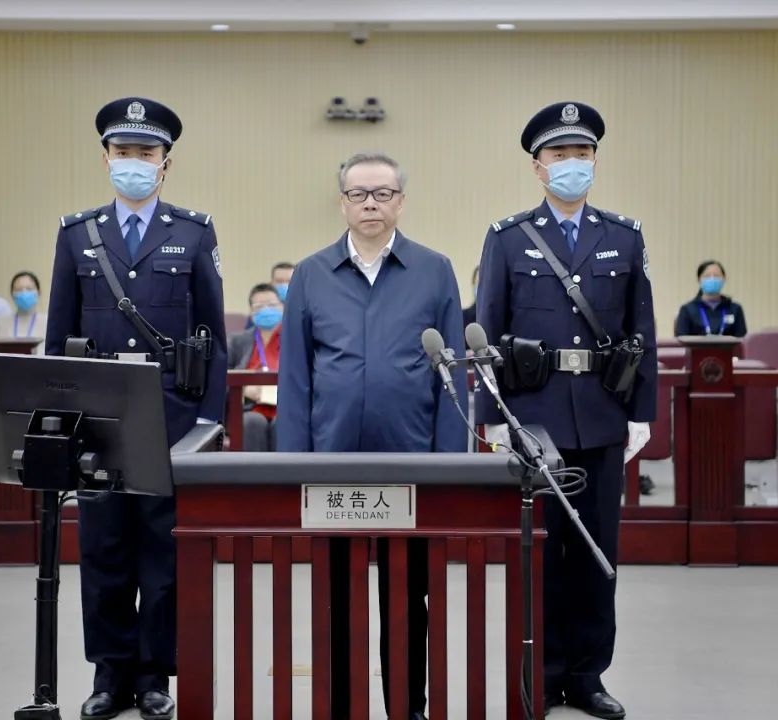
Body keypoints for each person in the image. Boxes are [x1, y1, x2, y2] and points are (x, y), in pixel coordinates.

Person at [46, 96, 226, 720]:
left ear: (165, 162)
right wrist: (59, 420)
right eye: (122, 151)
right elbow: (58, 335)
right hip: (98, 419)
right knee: (103, 550)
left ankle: (154, 674)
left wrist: (208, 423)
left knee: (162, 551)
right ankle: (109, 674)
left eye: (145, 153)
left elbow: (214, 338)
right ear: (105, 158)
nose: (133, 162)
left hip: (170, 417)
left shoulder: (193, 231)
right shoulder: (77, 234)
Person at [476, 101, 656, 719]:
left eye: (582, 153)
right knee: (540, 553)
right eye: (559, 154)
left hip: (603, 413)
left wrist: (641, 412)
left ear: (595, 161)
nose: (571, 164)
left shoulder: (624, 236)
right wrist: (493, 416)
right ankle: (543, 674)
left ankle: (587, 676)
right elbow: (487, 330)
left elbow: (642, 329)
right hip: (535, 415)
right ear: (538, 166)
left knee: (597, 553)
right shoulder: (508, 237)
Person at [277, 152, 467, 720]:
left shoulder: (434, 270)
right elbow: (295, 378)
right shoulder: (311, 273)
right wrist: (294, 466)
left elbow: (451, 376)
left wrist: (448, 466)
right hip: (331, 464)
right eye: (358, 194)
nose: (370, 204)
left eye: (382, 193)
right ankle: (341, 707)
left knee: (407, 598)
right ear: (342, 203)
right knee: (336, 596)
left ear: (400, 202)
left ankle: (407, 708)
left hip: (411, 463)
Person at [227, 283, 283, 451]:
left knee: (284, 423)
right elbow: (221, 379)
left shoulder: (296, 339)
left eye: (272, 305)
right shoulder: (237, 341)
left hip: (285, 406)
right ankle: (253, 470)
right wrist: (243, 390)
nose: (266, 310)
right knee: (252, 422)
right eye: (259, 307)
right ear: (251, 312)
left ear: (282, 307)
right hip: (251, 408)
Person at [673, 260, 747, 337]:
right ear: (699, 280)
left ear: (724, 279)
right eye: (707, 276)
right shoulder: (687, 309)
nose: (712, 279)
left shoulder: (735, 309)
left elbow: (742, 339)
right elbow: (681, 340)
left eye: (716, 276)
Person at [0, 271, 48, 354]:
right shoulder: (0, 323)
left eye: (29, 289)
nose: (24, 293)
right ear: (12, 294)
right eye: (19, 290)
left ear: (38, 292)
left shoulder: (47, 323)